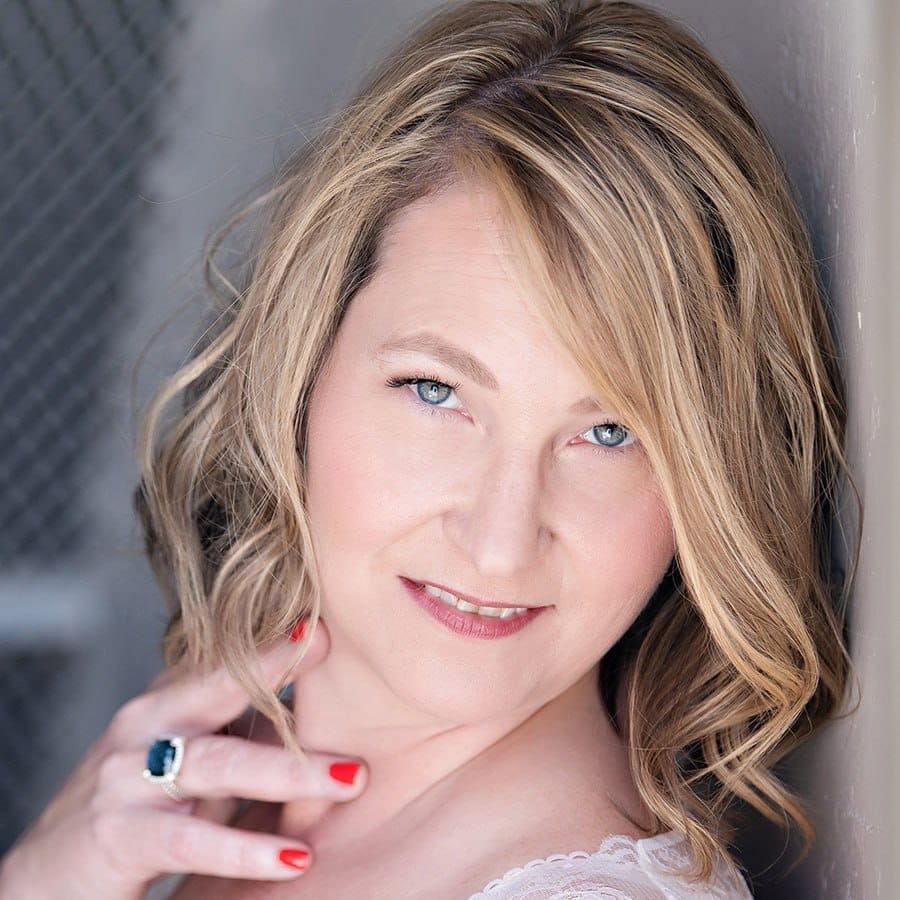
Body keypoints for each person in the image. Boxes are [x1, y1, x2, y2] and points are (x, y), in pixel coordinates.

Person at [0, 1, 855, 897]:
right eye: (436, 391)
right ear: (299, 373)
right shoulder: (217, 786)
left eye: (611, 433)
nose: (499, 543)